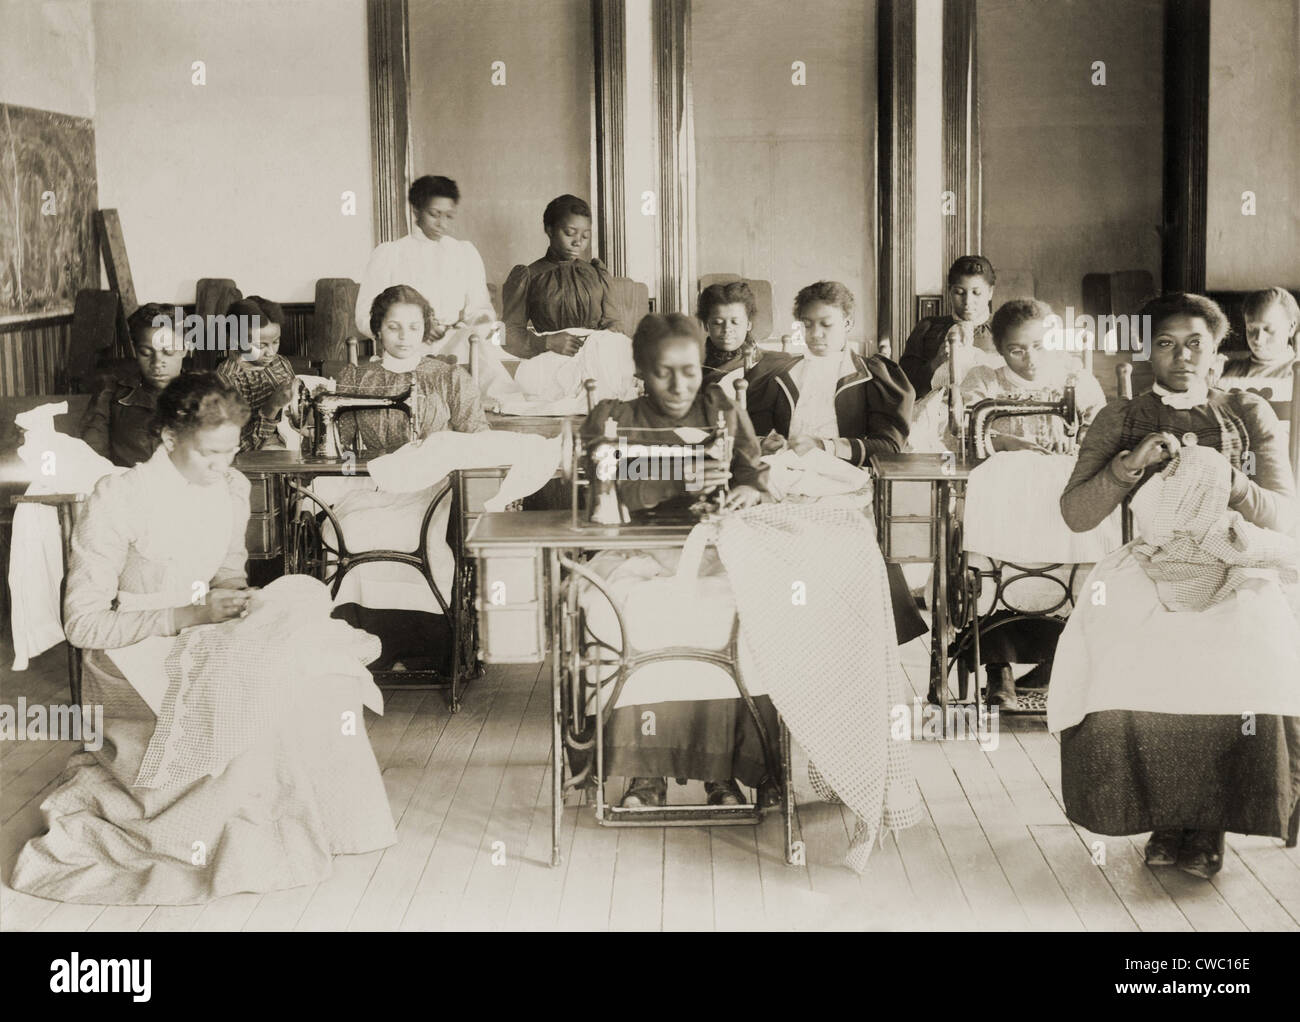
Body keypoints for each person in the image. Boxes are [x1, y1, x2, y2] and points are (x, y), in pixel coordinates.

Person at [10, 373, 395, 904]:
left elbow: (226, 575)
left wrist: (238, 601)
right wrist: (188, 614)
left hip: (202, 632)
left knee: (318, 667)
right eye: (210, 453)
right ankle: (232, 832)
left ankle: (332, 825)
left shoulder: (233, 489)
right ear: (169, 438)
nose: (224, 466)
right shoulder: (119, 497)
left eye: (232, 450)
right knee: (257, 697)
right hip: (133, 651)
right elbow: (84, 625)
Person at [1050, 292, 1299, 880]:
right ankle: (1165, 813)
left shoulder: (1250, 412)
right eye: (1165, 344)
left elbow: (1284, 517)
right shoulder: (1122, 417)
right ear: (1148, 352)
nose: (1180, 357)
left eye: (1195, 345)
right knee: (1119, 640)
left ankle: (1210, 820)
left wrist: (1230, 481)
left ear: (1216, 355)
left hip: (1239, 561)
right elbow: (1076, 515)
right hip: (1152, 559)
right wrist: (1127, 466)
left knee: (1247, 640)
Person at [580, 313, 769, 808]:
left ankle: (721, 772)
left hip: (709, 549)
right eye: (664, 371)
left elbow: (752, 472)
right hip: (635, 549)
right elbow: (611, 480)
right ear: (642, 370)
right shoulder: (613, 416)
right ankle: (646, 773)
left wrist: (747, 493)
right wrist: (684, 472)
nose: (680, 384)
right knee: (632, 614)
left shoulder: (719, 405)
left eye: (689, 370)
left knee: (730, 613)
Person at [743, 281, 926, 646]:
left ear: (847, 323)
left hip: (845, 480)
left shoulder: (875, 376)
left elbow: (888, 446)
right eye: (807, 324)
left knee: (831, 537)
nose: (815, 333)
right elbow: (756, 436)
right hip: (789, 477)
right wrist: (769, 441)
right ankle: (781, 639)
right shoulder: (780, 375)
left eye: (825, 324)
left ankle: (842, 637)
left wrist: (825, 446)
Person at [954, 299, 1111, 708]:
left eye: (1040, 346)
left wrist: (1075, 440)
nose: (1030, 358)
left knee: (1081, 555)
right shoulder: (983, 381)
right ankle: (998, 669)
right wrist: (1005, 441)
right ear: (1000, 349)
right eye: (1017, 350)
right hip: (1005, 498)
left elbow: (1101, 429)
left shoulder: (1073, 378)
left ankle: (1059, 661)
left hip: (1062, 497)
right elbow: (964, 436)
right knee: (994, 564)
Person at [327, 285, 489, 670]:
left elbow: (478, 437)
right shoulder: (355, 378)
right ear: (377, 330)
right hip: (373, 485)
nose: (403, 338)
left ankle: (425, 650)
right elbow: (341, 443)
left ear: (425, 330)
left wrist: (436, 454)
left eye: (413, 328)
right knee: (347, 528)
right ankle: (360, 650)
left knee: (421, 535)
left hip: (431, 487)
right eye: (394, 327)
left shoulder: (448, 377)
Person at [502, 194, 623, 360]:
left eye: (585, 236)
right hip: (548, 364)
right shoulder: (529, 276)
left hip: (597, 361)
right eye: (569, 233)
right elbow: (506, 336)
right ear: (550, 230)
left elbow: (614, 324)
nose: (578, 242)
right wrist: (546, 342)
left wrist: (601, 344)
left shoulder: (596, 273)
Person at [80, 303, 187, 467]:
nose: (157, 363)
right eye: (145, 353)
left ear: (184, 349)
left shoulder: (204, 394)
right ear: (136, 350)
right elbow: (92, 454)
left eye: (168, 351)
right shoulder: (111, 391)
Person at [899, 255, 999, 398]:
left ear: (990, 292)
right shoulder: (928, 327)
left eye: (976, 293)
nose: (967, 301)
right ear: (949, 291)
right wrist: (936, 362)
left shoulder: (1002, 330)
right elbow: (903, 385)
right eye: (959, 292)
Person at [215, 296, 298, 451]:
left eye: (276, 342)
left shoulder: (280, 362)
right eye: (261, 345)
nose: (271, 352)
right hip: (257, 461)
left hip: (292, 445)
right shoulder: (227, 378)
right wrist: (272, 407)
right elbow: (239, 446)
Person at [1221, 286, 1299, 384]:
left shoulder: (1295, 372)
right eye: (1251, 329)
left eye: (1268, 329)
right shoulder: (1226, 370)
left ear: (1291, 327)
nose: (1258, 339)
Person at [697, 279, 763, 387]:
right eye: (717, 323)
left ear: (748, 325)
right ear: (705, 325)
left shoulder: (761, 364)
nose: (727, 329)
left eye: (735, 322)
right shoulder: (695, 362)